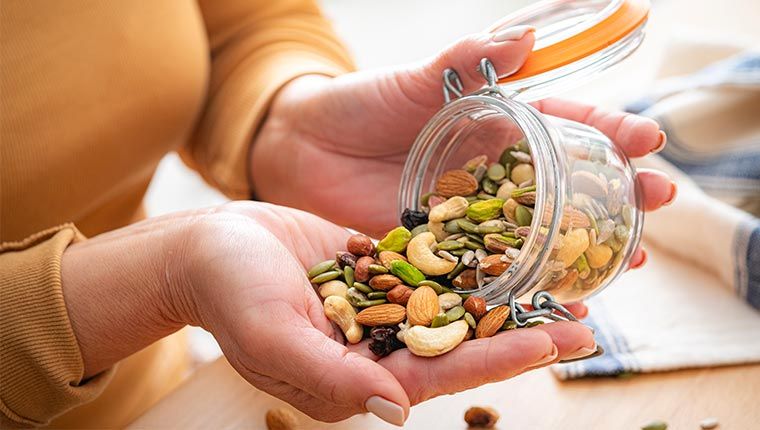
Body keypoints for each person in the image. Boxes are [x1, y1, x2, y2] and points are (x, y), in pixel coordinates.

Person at [0, 1, 676, 428]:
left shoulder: (448, 239)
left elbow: (242, 25)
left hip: (177, 387)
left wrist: (286, 127)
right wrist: (160, 277)